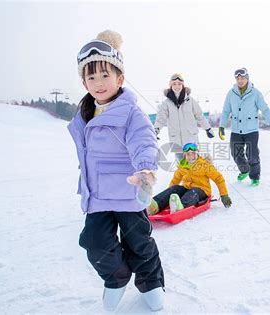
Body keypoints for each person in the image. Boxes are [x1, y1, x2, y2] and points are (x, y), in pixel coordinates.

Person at [67, 30, 164, 312]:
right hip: (96, 195)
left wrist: (145, 169)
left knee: (139, 244)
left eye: (105, 75)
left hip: (127, 191)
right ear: (83, 81)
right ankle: (117, 277)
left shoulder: (131, 112)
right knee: (93, 242)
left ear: (120, 79)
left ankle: (151, 282)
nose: (98, 83)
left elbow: (143, 140)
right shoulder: (83, 113)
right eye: (91, 77)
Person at [218, 67, 270, 187]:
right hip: (236, 130)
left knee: (252, 154)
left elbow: (265, 109)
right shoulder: (231, 93)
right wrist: (221, 126)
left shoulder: (255, 93)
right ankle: (245, 170)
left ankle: (255, 176)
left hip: (251, 130)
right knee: (236, 153)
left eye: (243, 78)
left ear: (247, 79)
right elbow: (226, 111)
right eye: (238, 78)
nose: (240, 80)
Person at [147, 143, 232, 215]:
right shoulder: (182, 166)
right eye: (188, 154)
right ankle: (155, 205)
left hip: (202, 190)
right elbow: (175, 180)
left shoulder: (204, 165)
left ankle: (181, 207)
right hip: (187, 188)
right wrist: (168, 196)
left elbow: (218, 178)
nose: (191, 156)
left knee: (193, 191)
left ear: (197, 154)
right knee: (176, 188)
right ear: (185, 155)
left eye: (193, 153)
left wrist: (224, 195)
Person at [154, 73, 214, 161]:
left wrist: (208, 129)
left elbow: (199, 116)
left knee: (194, 166)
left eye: (179, 84)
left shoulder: (190, 101)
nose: (177, 86)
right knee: (182, 168)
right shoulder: (167, 103)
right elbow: (161, 119)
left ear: (182, 85)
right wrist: (156, 130)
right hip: (176, 142)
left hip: (191, 140)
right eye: (174, 84)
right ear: (171, 86)